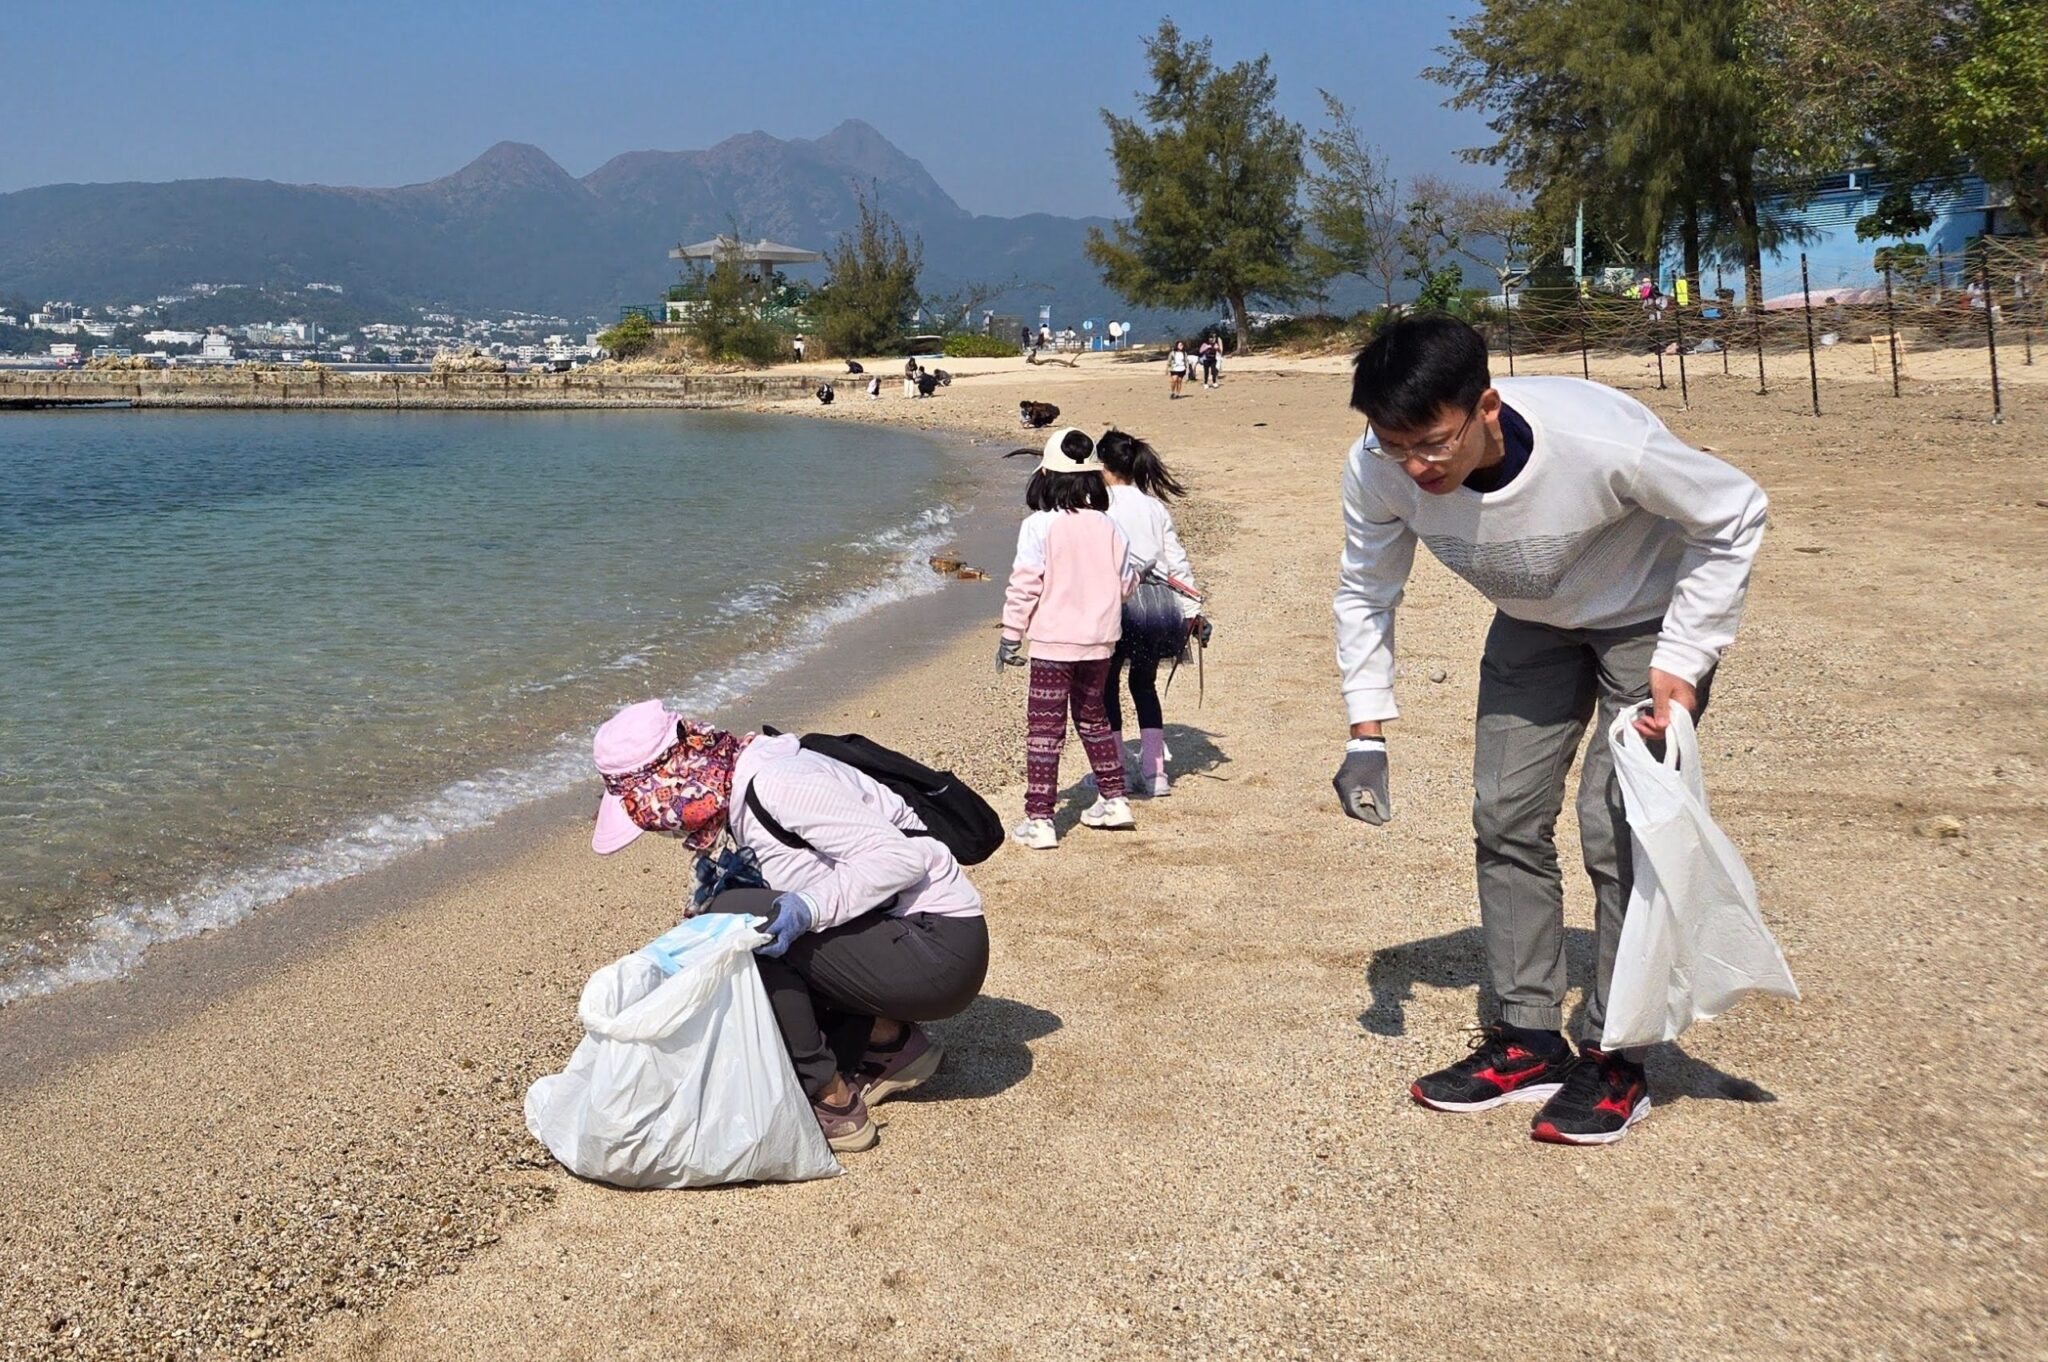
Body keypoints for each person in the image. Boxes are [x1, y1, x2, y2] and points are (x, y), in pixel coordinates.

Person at [1332, 315, 1767, 1147]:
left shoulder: (1599, 440)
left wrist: (1685, 654)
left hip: (1646, 622)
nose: (1415, 468)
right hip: (1531, 622)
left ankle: (1617, 1053)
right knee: (1503, 816)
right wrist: (1366, 731)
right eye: (1393, 445)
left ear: (1486, 407)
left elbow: (1735, 510)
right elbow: (1363, 590)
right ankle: (1528, 1037)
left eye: (1431, 444)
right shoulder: (1379, 469)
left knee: (1617, 832)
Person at [591, 701, 990, 1155]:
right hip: (908, 940)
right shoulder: (736, 781)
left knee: (737, 917)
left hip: (937, 950)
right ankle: (889, 1044)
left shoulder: (778, 783)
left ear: (673, 782)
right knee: (736, 913)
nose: (663, 828)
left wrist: (808, 907)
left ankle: (832, 1102)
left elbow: (898, 859)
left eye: (653, 813)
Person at [998, 428, 1139, 848]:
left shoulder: (1038, 525)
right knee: (1093, 719)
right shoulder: (1109, 525)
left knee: (1045, 728)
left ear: (1045, 474)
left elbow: (1025, 584)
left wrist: (1010, 635)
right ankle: (1114, 799)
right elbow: (1127, 583)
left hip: (1053, 643)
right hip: (1099, 643)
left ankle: (1040, 819)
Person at [1097, 430, 1203, 797]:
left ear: (1103, 464)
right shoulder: (1154, 506)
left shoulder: (1099, 502)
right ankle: (1155, 773)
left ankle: (1116, 773)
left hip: (1115, 600)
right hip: (1157, 602)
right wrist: (1192, 609)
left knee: (1106, 686)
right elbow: (1176, 562)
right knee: (1144, 685)